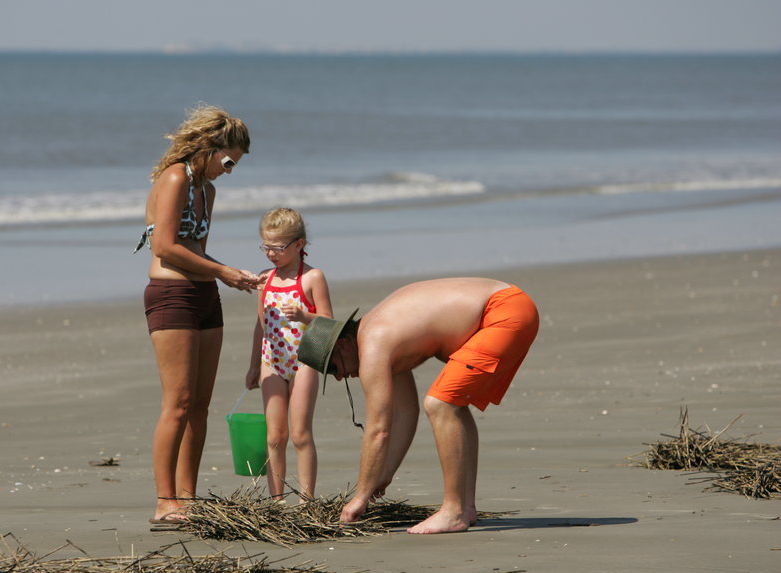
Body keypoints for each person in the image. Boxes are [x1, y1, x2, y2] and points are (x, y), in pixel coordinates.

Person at [298, 278, 539, 534]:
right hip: (511, 305)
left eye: (333, 367)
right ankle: (466, 507)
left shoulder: (373, 343)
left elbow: (378, 430)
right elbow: (404, 413)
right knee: (451, 405)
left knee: (440, 404)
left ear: (344, 344)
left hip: (502, 312)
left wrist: (360, 496)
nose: (338, 376)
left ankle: (453, 512)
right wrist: (385, 473)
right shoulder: (382, 336)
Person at [136, 104, 260, 524]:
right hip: (172, 295)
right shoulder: (173, 178)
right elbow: (166, 248)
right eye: (227, 161)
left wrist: (229, 274)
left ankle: (187, 498)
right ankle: (164, 500)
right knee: (179, 401)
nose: (229, 170)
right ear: (207, 146)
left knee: (201, 404)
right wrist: (224, 272)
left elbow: (197, 252)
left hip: (206, 295)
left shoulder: (207, 191)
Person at [245, 208, 333, 500]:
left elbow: (329, 323)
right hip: (271, 360)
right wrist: (253, 366)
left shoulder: (312, 278)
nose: (271, 254)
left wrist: (304, 315)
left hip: (303, 359)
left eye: (278, 248)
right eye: (266, 246)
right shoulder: (264, 279)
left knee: (300, 435)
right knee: (274, 436)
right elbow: (261, 325)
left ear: (299, 245)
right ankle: (276, 501)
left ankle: (308, 501)